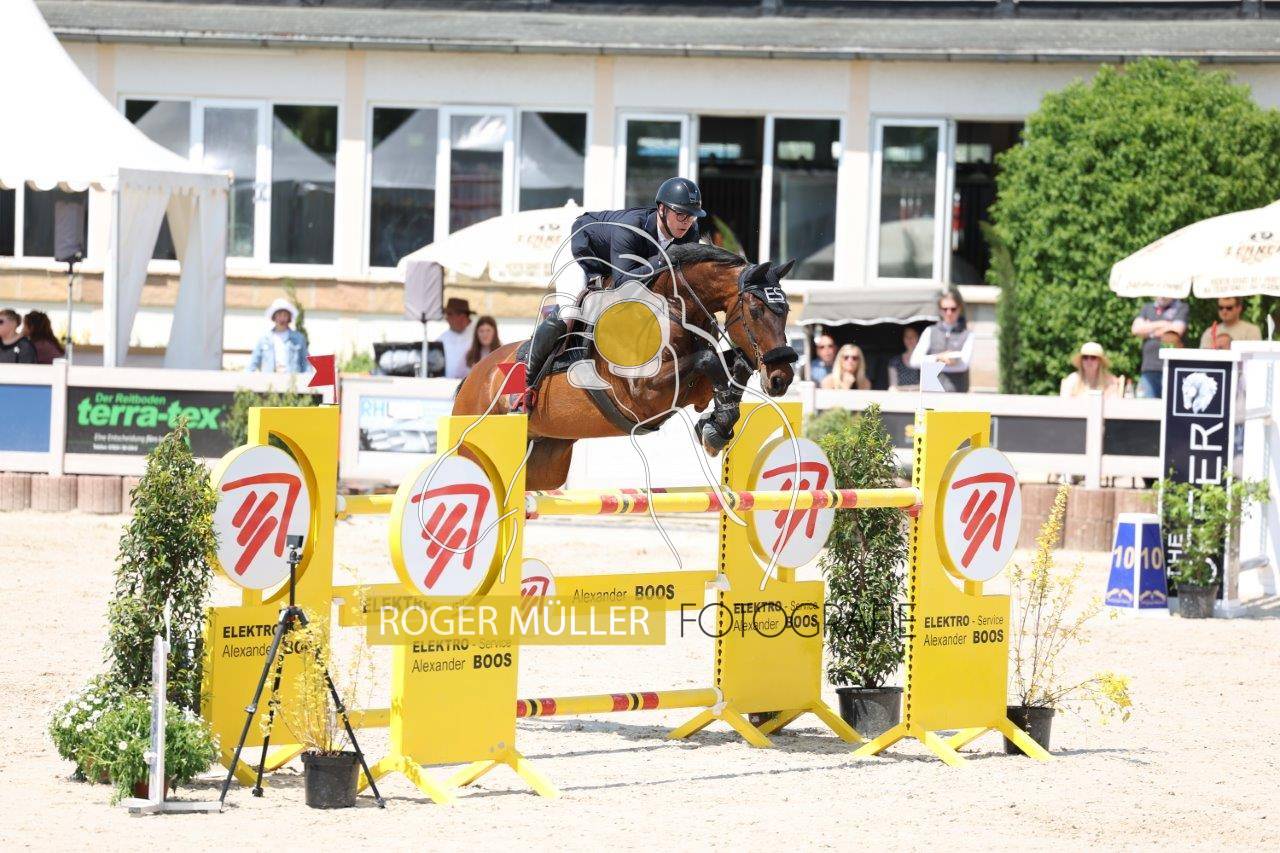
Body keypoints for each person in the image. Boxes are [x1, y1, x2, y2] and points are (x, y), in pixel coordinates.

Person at [525, 177, 706, 385]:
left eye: (692, 216)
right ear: (662, 209)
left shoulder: (690, 231)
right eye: (681, 214)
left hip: (618, 261)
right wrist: (663, 259)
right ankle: (528, 376)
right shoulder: (630, 227)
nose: (686, 222)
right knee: (568, 314)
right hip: (582, 252)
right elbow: (622, 283)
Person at [909, 290, 974, 392]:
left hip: (957, 393)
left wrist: (934, 364)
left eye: (953, 309)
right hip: (931, 392)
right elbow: (914, 361)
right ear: (940, 310)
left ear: (959, 309)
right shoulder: (930, 331)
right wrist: (938, 358)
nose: (949, 313)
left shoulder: (968, 334)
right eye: (945, 309)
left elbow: (964, 366)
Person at [1131, 296, 1187, 398]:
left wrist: (1148, 330)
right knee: (1146, 406)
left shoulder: (1181, 307)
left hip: (1172, 368)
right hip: (1149, 368)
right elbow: (1136, 329)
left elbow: (1177, 330)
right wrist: (1164, 324)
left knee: (1170, 405)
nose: (1163, 295)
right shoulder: (1147, 307)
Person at [247, 298, 308, 373]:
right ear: (274, 317)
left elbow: (306, 364)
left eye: (285, 315)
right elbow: (253, 363)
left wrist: (307, 378)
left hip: (292, 379)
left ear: (289, 317)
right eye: (279, 315)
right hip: (270, 379)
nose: (282, 318)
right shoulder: (264, 339)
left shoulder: (299, 338)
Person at [436, 297, 475, 379]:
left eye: (449, 314)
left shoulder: (480, 334)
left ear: (462, 316)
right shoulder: (442, 339)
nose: (446, 318)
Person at [887, 326, 922, 391]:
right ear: (903, 339)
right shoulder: (895, 361)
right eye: (906, 337)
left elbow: (925, 386)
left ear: (918, 338)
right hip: (900, 396)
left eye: (913, 336)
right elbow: (893, 387)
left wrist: (902, 389)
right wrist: (914, 388)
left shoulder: (924, 360)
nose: (910, 339)